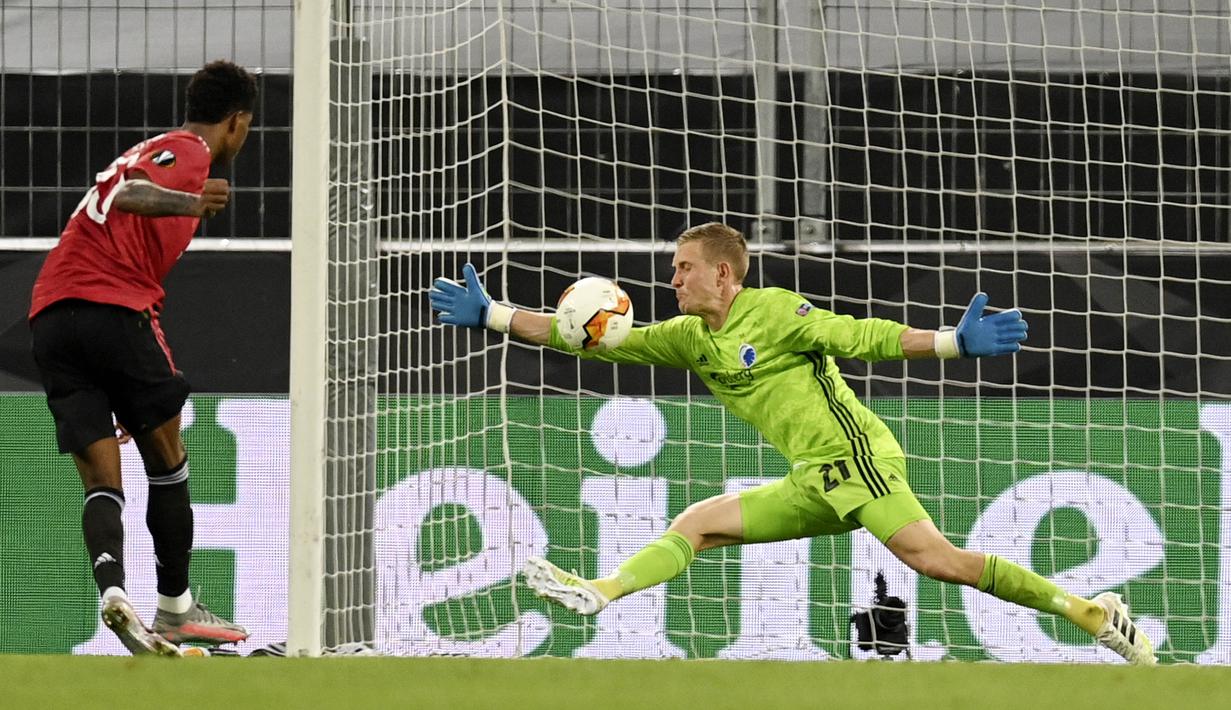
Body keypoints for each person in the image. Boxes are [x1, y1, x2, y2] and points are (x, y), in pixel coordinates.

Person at [429, 222, 1157, 666]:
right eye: (672, 269)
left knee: (935, 561)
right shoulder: (687, 337)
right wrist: (493, 313)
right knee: (698, 523)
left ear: (722, 271)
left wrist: (948, 342)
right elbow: (590, 344)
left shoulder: (774, 313)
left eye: (682, 268)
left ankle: (1088, 613)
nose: (670, 280)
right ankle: (599, 591)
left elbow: (857, 336)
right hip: (813, 476)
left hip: (857, 460)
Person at [28, 60, 256, 656]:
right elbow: (131, 196)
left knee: (102, 480)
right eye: (246, 128)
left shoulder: (147, 147)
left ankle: (113, 592)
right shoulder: (189, 150)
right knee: (167, 455)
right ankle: (177, 609)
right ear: (237, 121)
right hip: (111, 306)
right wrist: (187, 202)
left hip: (51, 315)